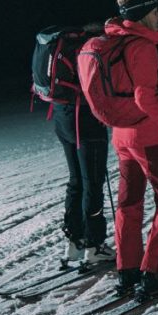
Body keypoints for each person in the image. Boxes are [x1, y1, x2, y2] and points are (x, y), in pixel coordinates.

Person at [106, 0, 158, 296]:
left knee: (129, 202)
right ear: (141, 15)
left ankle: (127, 269)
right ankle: (155, 272)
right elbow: (144, 99)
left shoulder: (116, 40)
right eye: (154, 11)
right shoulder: (142, 47)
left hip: (122, 135)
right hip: (148, 138)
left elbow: (132, 90)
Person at [53, 23, 113, 268]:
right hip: (86, 120)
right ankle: (94, 245)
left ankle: (74, 242)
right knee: (93, 183)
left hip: (62, 116)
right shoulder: (91, 48)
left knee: (76, 180)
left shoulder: (65, 45)